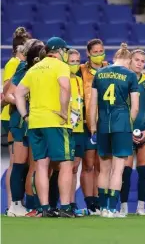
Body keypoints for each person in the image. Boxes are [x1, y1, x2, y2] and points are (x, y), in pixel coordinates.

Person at [15, 37, 74, 217]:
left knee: (41, 164)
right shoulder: (61, 66)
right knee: (65, 163)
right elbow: (65, 87)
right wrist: (64, 111)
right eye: (65, 51)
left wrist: (25, 115)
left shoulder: (34, 68)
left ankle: (45, 207)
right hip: (55, 121)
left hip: (35, 122)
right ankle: (65, 207)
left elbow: (18, 93)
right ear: (59, 51)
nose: (67, 54)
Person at [90, 43, 139, 218]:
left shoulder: (99, 73)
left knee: (104, 169)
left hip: (103, 123)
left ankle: (102, 208)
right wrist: (129, 123)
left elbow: (92, 103)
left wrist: (93, 126)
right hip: (121, 124)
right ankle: (112, 209)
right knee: (118, 168)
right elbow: (135, 107)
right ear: (128, 60)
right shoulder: (130, 75)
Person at [5, 39, 43, 217]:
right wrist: (24, 101)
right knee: (20, 164)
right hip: (21, 122)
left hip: (36, 120)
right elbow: (9, 94)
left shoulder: (43, 69)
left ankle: (32, 205)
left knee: (34, 165)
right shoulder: (22, 68)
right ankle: (16, 204)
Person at [1, 27, 30, 212]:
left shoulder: (20, 63)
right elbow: (6, 90)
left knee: (19, 160)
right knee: (15, 161)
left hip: (15, 113)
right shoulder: (14, 63)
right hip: (11, 114)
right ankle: (12, 204)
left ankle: (15, 203)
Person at [126, 49, 145, 216]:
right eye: (136, 60)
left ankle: (141, 207)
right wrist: (127, 130)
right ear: (130, 60)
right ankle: (122, 207)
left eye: (142, 61)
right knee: (125, 171)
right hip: (126, 131)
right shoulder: (123, 79)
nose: (139, 63)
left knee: (143, 170)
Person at [80, 38, 108, 214]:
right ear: (88, 53)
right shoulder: (81, 71)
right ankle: (89, 202)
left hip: (105, 121)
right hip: (86, 122)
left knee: (101, 164)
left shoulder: (109, 69)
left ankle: (99, 201)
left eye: (101, 51)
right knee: (88, 164)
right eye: (95, 52)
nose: (99, 54)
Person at [67, 49, 85, 214]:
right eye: (71, 61)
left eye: (77, 61)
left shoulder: (80, 80)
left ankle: (71, 203)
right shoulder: (62, 79)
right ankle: (58, 202)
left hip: (79, 129)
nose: (74, 64)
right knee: (63, 167)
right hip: (66, 129)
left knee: (75, 167)